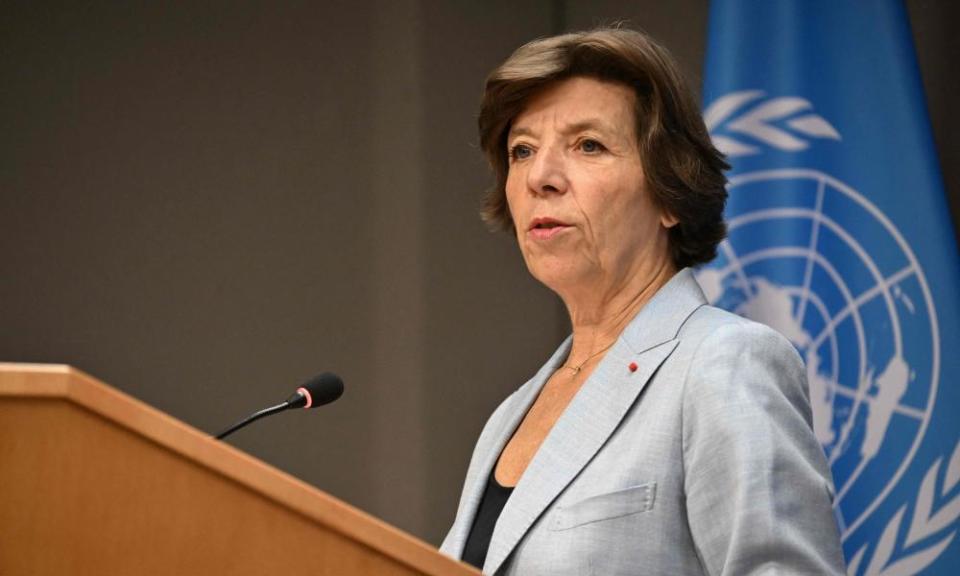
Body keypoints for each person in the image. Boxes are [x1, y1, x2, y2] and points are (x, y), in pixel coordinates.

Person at [440, 27, 847, 575]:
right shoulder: (511, 415)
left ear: (669, 193)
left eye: (588, 145)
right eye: (522, 150)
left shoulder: (724, 364)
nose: (540, 176)